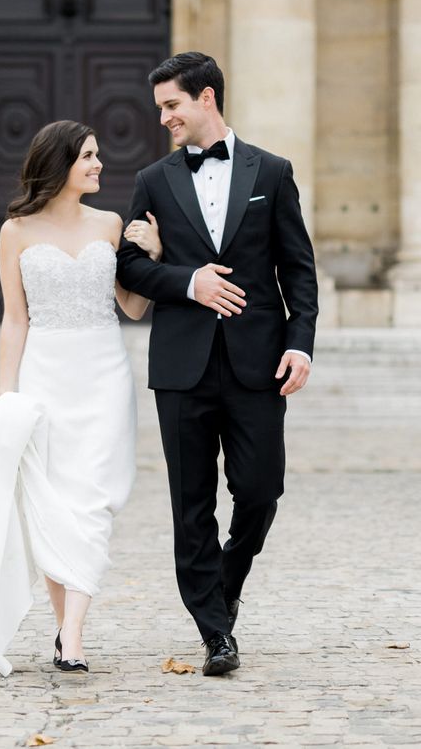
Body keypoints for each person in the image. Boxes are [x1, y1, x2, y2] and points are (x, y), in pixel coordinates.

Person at [116, 52, 318, 676]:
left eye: (172, 106)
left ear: (207, 98)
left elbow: (298, 269)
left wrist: (300, 341)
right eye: (160, 109)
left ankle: (222, 588)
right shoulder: (153, 180)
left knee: (260, 491)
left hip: (259, 362)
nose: (164, 119)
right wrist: (188, 281)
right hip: (182, 365)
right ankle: (215, 634)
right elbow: (129, 268)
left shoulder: (273, 172)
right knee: (191, 501)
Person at [0, 119, 161, 677]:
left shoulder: (109, 223)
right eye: (88, 157)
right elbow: (13, 318)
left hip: (103, 373)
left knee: (92, 503)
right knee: (50, 504)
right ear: (60, 164)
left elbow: (131, 307)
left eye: (98, 155)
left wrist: (153, 251)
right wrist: (7, 396)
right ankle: (67, 635)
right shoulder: (16, 230)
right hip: (45, 375)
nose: (100, 164)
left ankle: (70, 636)